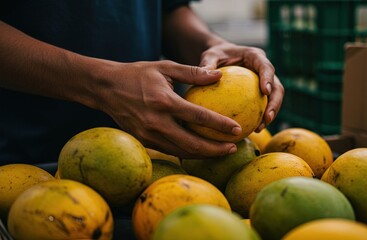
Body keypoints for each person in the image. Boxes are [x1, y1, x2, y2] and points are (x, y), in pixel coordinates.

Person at [0, 0, 284, 165]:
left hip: (154, 163)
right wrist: (102, 85)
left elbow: (167, 9)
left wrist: (213, 47)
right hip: (25, 165)